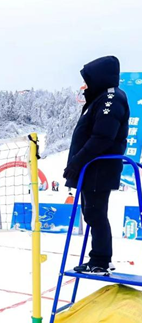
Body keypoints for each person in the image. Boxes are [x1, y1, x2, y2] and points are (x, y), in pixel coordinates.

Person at [63, 56, 130, 275]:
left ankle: (101, 261)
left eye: (88, 79)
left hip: (99, 168)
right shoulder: (100, 98)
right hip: (92, 168)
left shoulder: (112, 98)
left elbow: (103, 136)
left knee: (96, 214)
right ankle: (99, 258)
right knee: (92, 213)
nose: (85, 85)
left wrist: (77, 162)